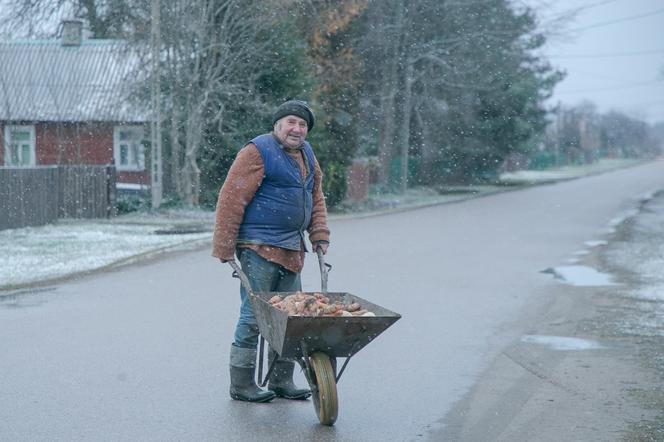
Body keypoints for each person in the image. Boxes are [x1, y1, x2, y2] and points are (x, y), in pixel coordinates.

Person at [212, 100, 330, 403]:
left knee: (290, 318)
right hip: (258, 248)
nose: (297, 129)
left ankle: (281, 380)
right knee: (254, 317)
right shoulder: (257, 151)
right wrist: (224, 246)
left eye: (302, 125)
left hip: (293, 248)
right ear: (277, 124)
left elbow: (315, 196)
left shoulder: (307, 153)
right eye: (291, 122)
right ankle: (241, 384)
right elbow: (231, 197)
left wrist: (318, 233)